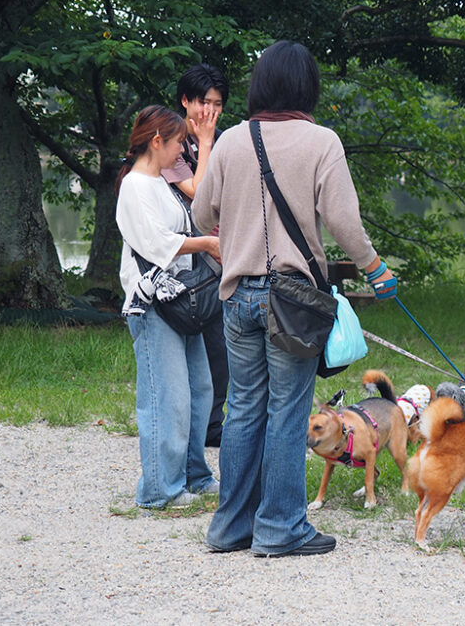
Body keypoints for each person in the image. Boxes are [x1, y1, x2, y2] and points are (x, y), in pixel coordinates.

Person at [193, 41, 397, 557]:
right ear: (308, 86)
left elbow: (199, 218)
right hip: (292, 301)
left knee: (241, 409)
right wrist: (375, 269)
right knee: (287, 412)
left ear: (259, 84)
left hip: (236, 296)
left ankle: (230, 528)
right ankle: (280, 528)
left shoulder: (233, 142)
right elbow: (344, 221)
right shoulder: (322, 141)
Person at [116, 104, 221, 509]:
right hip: (152, 307)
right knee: (167, 397)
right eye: (179, 143)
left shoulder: (160, 181)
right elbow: (158, 243)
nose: (183, 151)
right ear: (157, 141)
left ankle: (193, 475)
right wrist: (209, 244)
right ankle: (160, 490)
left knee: (200, 390)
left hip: (181, 301)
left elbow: (198, 205)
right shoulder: (135, 186)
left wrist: (206, 142)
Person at [162, 64, 229, 447]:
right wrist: (204, 143)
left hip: (222, 253)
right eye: (204, 103)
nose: (211, 113)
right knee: (203, 343)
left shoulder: (224, 141)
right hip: (185, 260)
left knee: (222, 346)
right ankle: (198, 425)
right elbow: (199, 196)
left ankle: (212, 422)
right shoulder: (168, 142)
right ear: (185, 101)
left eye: (218, 105)